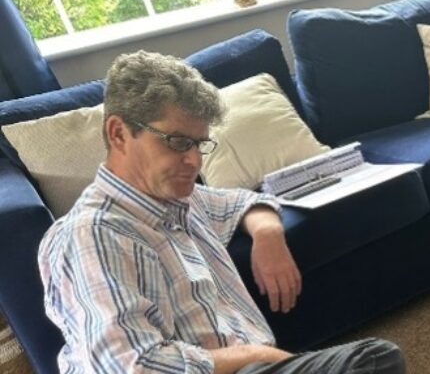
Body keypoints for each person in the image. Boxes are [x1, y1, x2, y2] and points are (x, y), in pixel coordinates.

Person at [38, 51, 407, 374]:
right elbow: (135, 366)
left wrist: (268, 233)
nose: (194, 160)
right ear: (118, 133)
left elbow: (240, 201)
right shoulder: (93, 235)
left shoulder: (179, 200)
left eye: (199, 144)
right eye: (178, 142)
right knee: (374, 361)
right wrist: (256, 352)